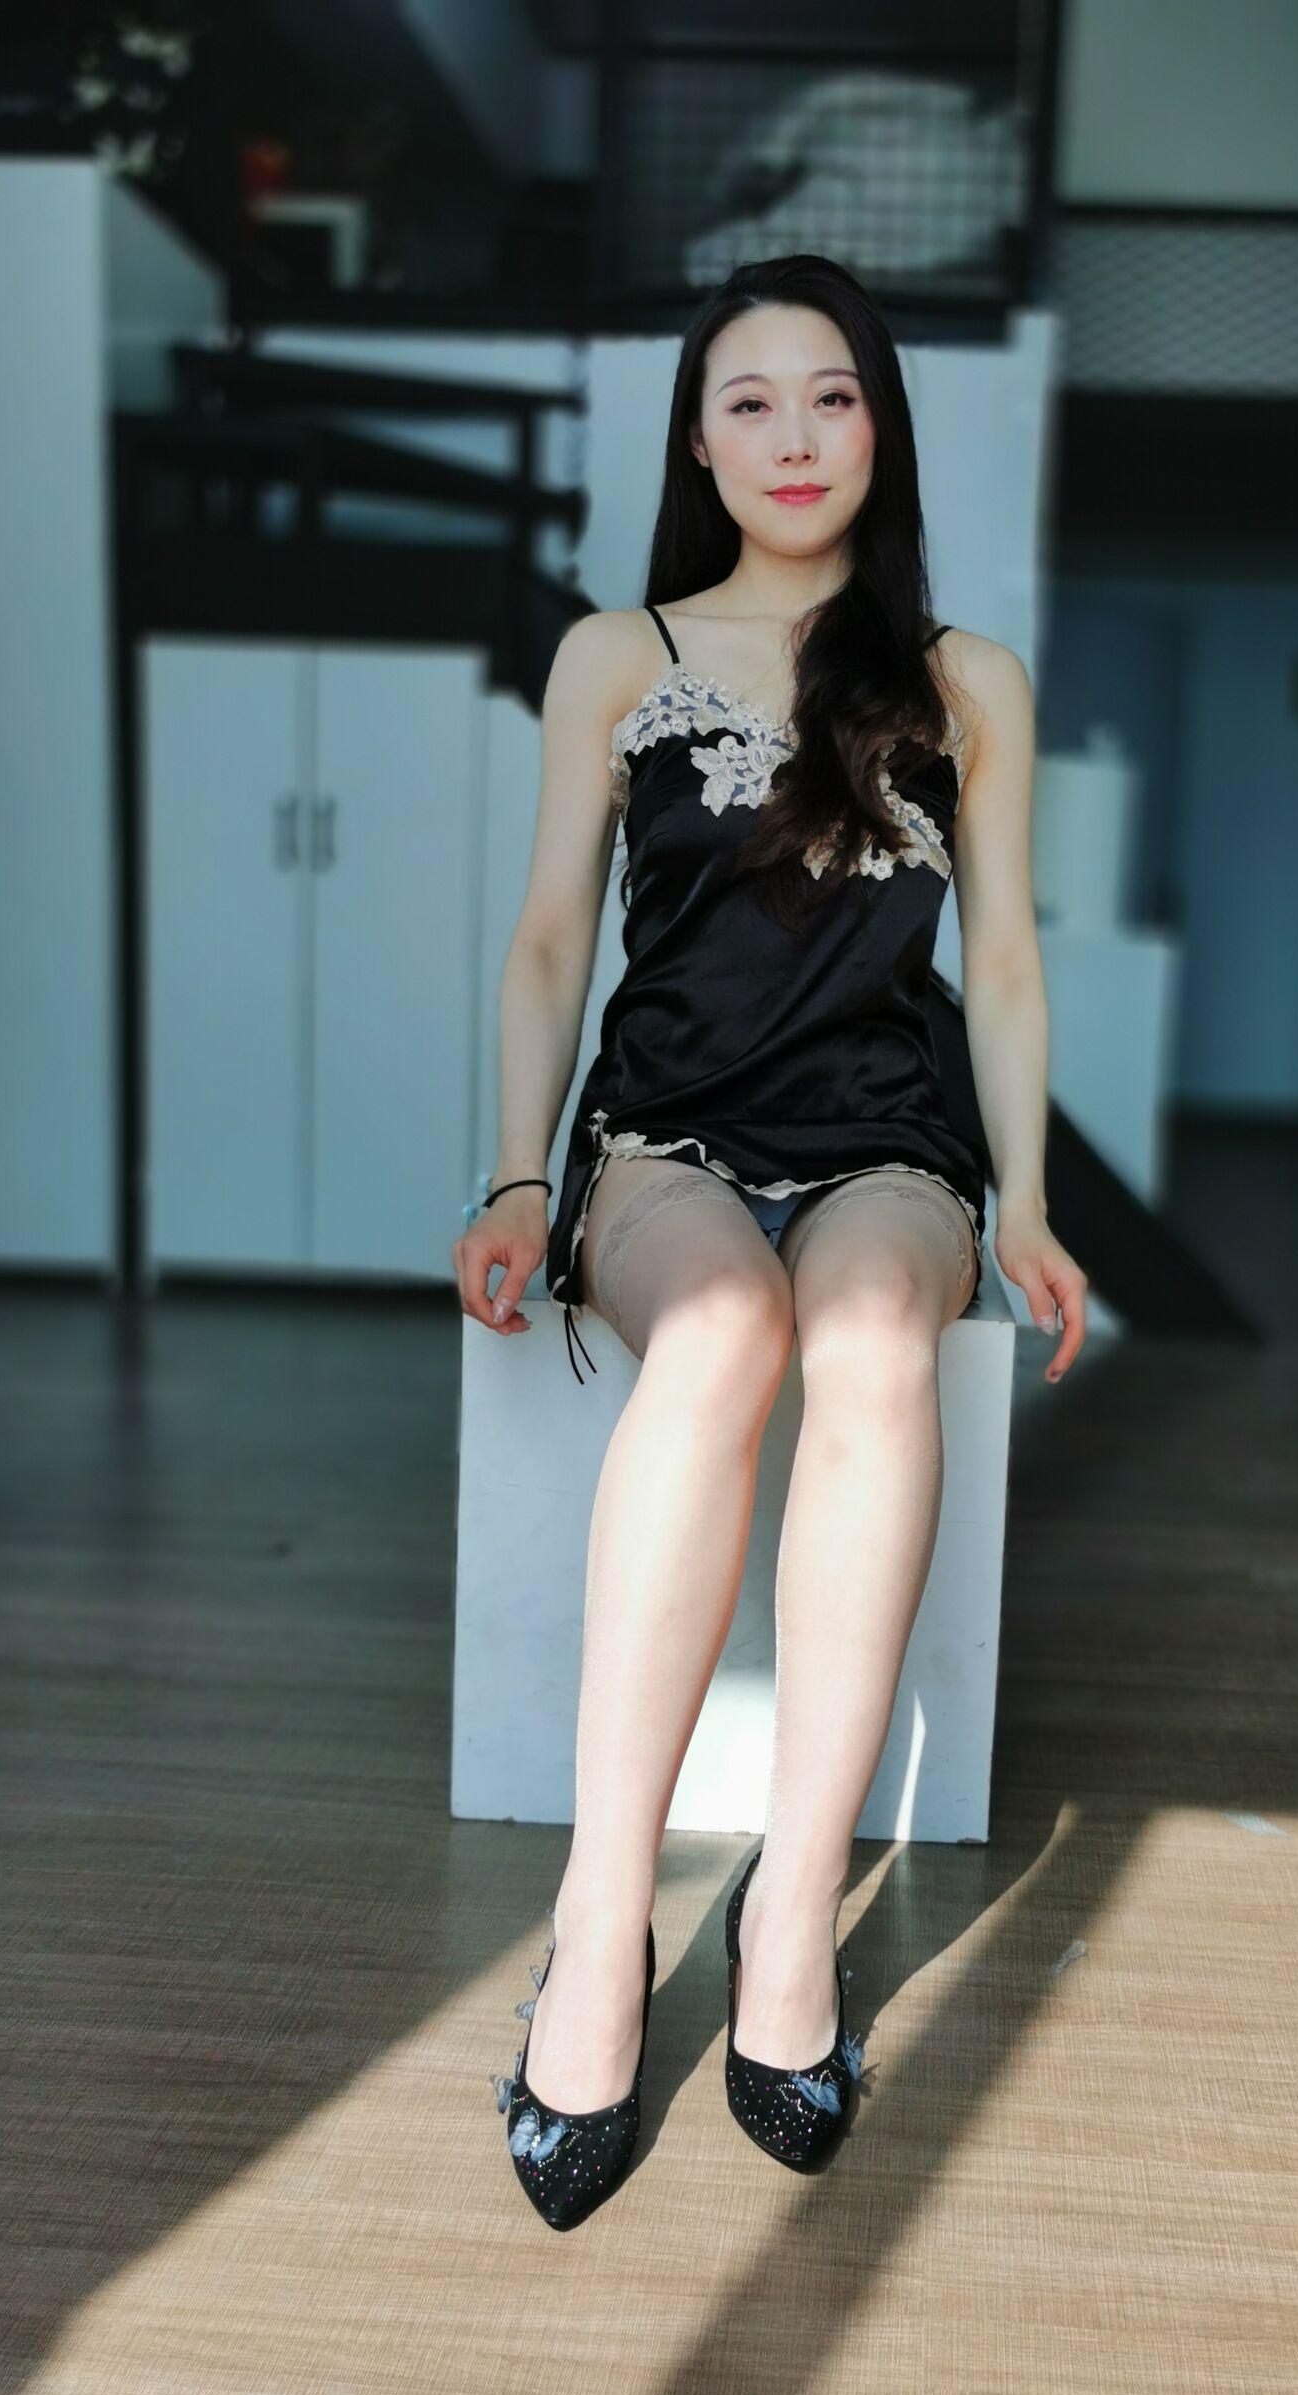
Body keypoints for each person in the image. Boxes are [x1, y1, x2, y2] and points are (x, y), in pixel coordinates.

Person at [455, 253, 1086, 2229]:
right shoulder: (615, 652)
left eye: (833, 397)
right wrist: (516, 1175)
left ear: (879, 428)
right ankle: (600, 1917)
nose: (795, 436)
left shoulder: (965, 680)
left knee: (879, 1344)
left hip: (886, 1134)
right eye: (750, 400)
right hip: (667, 1133)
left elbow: (1003, 964)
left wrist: (1028, 1200)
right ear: (698, 441)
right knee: (724, 1332)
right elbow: (548, 937)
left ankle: (791, 1908)